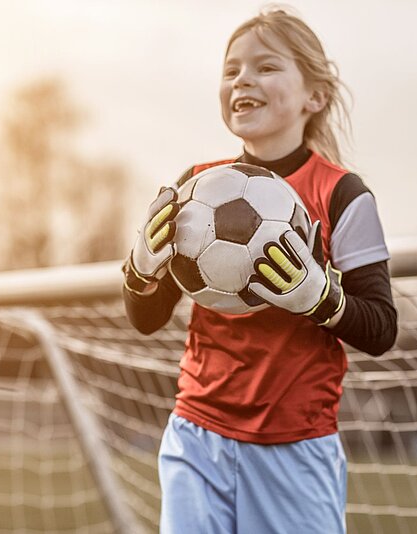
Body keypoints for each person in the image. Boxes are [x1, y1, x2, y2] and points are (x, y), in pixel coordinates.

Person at [121, 7, 397, 534]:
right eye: (231, 71)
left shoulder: (343, 195)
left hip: (293, 443)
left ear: (314, 96)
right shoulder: (196, 187)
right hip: (196, 434)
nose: (243, 79)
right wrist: (139, 273)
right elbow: (147, 318)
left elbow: (381, 327)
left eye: (266, 67)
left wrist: (323, 300)